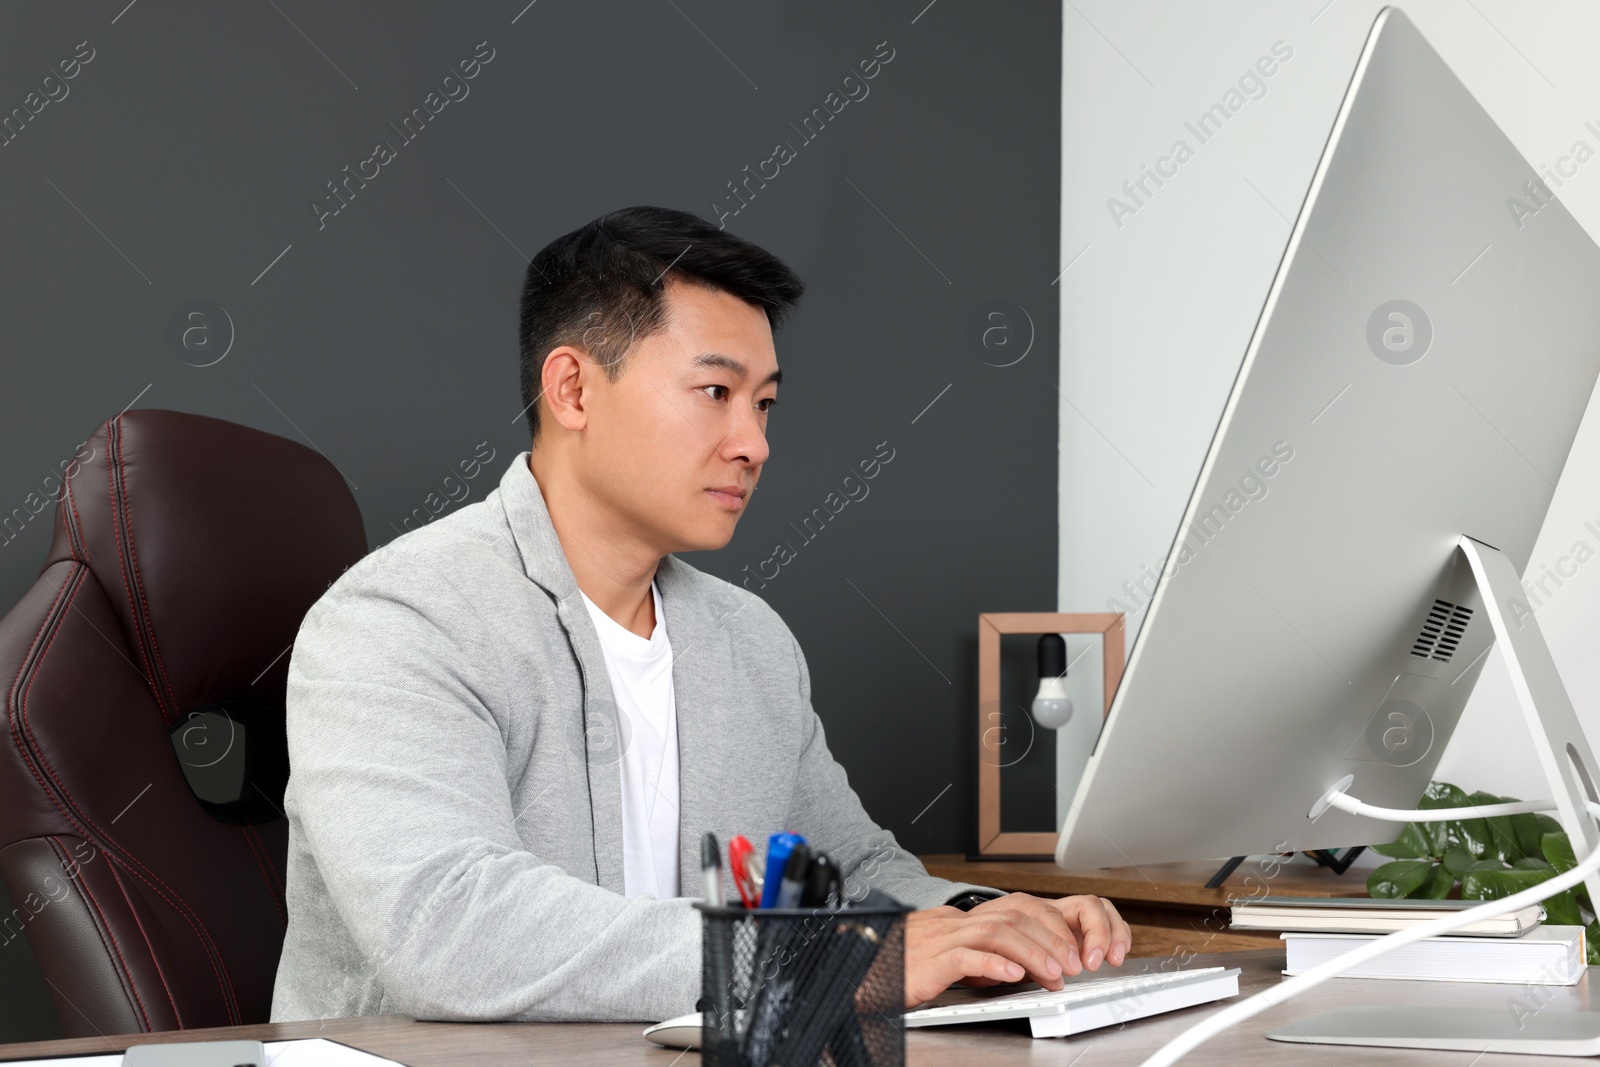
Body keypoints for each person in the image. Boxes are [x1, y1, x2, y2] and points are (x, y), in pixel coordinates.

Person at [270, 205, 1132, 1024]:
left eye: (764, 404)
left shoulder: (748, 640)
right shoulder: (401, 619)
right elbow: (447, 925)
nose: (754, 442)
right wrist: (849, 957)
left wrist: (999, 920)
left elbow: (851, 872)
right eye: (715, 392)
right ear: (572, 389)